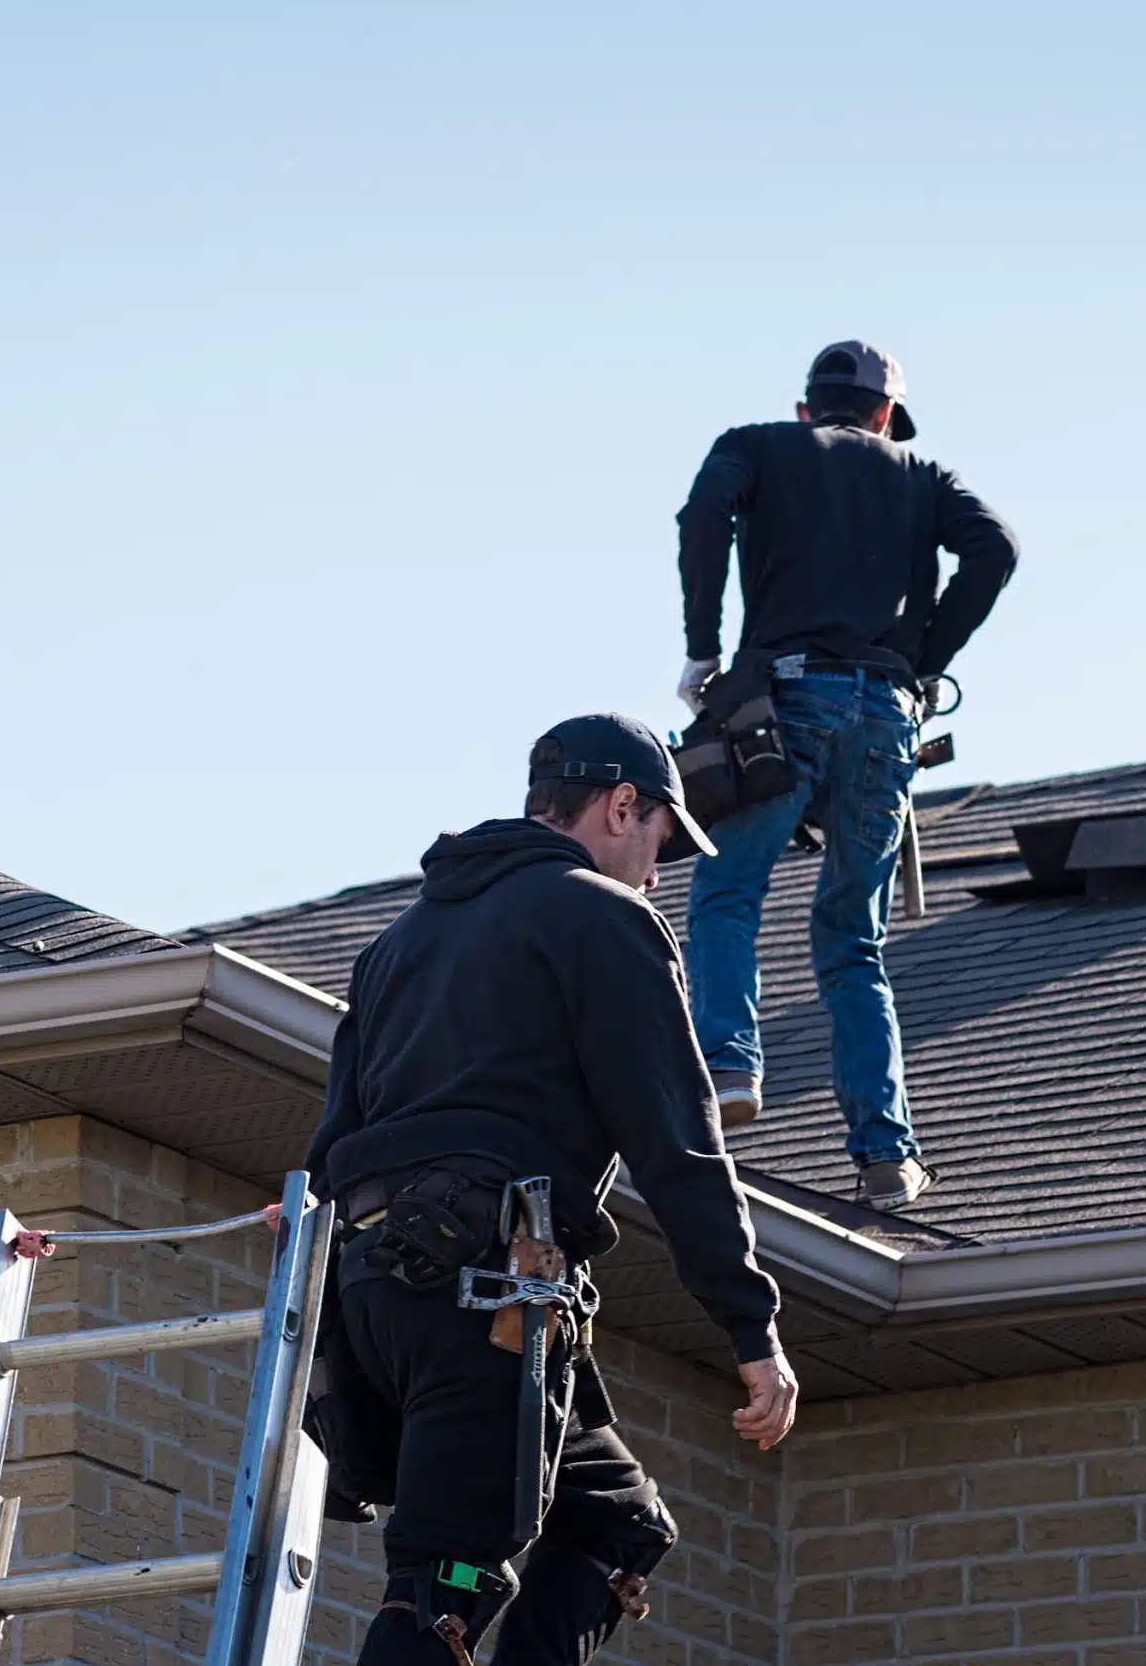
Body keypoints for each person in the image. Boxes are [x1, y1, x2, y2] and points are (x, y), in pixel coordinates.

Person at [303, 712, 800, 1665]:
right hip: (485, 1297)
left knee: (616, 1523)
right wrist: (752, 1329)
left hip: (380, 1297)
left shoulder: (398, 944)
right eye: (660, 839)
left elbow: (330, 1150)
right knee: (444, 1583)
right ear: (623, 805)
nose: (659, 872)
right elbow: (679, 1147)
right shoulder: (606, 920)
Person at [675, 340, 1019, 1212]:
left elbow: (702, 514)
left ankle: (726, 1069)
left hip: (786, 701)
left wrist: (704, 648)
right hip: (885, 716)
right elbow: (997, 549)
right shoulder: (921, 474)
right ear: (882, 416)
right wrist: (923, 656)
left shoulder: (758, 445)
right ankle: (886, 1155)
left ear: (806, 409)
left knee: (726, 891)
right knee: (852, 939)